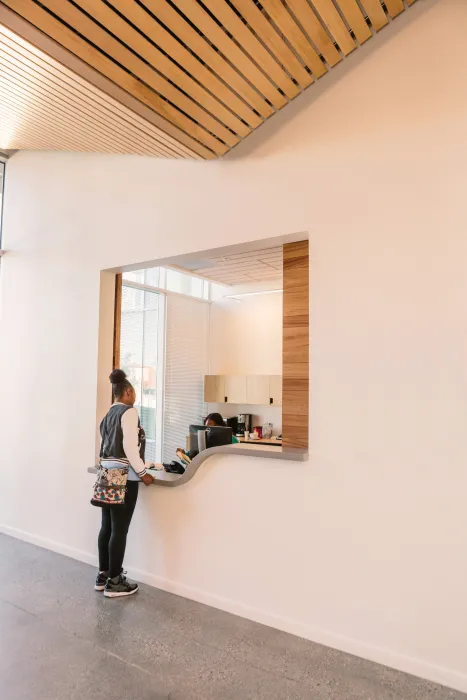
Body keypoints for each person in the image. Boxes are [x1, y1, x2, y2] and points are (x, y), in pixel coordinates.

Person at [95, 369, 155, 598]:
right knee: (120, 530)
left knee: (107, 527)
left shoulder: (107, 414)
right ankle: (115, 581)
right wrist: (143, 472)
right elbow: (130, 447)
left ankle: (103, 575)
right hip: (125, 478)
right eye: (135, 393)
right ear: (128, 391)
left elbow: (111, 448)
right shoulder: (129, 412)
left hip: (106, 475)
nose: (135, 398)